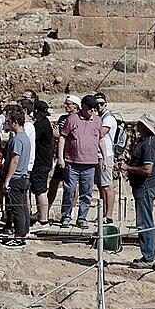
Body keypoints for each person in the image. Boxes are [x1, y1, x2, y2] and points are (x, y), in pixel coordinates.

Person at [58, 95, 105, 228]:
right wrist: (61, 158)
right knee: (70, 190)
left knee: (87, 192)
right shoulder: (72, 119)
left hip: (90, 163)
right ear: (83, 106)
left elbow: (101, 140)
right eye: (90, 107)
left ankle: (82, 218)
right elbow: (63, 138)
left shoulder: (97, 120)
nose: (92, 110)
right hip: (72, 162)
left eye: (94, 108)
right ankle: (66, 216)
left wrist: (104, 159)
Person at [121, 114, 155, 269]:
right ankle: (150, 252)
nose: (137, 126)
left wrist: (128, 168)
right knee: (146, 220)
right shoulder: (146, 141)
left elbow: (147, 169)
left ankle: (149, 256)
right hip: (142, 186)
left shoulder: (149, 144)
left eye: (139, 124)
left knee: (144, 222)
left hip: (145, 186)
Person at [1, 107, 32, 248]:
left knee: (17, 208)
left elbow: (15, 160)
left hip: (17, 178)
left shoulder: (17, 140)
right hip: (24, 176)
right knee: (23, 207)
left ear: (14, 122)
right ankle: (23, 232)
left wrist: (7, 179)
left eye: (9, 122)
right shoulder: (25, 138)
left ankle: (19, 236)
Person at [48, 95, 80, 212]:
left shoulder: (78, 119)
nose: (65, 106)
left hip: (72, 156)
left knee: (72, 185)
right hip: (61, 155)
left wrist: (61, 134)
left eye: (68, 104)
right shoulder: (62, 118)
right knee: (54, 182)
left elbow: (63, 134)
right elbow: (57, 133)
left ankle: (69, 210)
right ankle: (47, 209)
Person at [95, 92, 117, 224]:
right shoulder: (100, 117)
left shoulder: (108, 118)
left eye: (101, 104)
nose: (99, 106)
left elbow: (100, 133)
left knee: (107, 185)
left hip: (106, 155)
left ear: (106, 104)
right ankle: (103, 213)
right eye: (96, 104)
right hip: (97, 154)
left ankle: (108, 215)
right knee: (101, 186)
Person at [31, 100, 53, 225]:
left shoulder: (41, 125)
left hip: (41, 162)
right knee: (39, 189)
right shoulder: (45, 122)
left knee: (41, 190)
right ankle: (40, 214)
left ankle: (44, 219)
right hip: (44, 161)